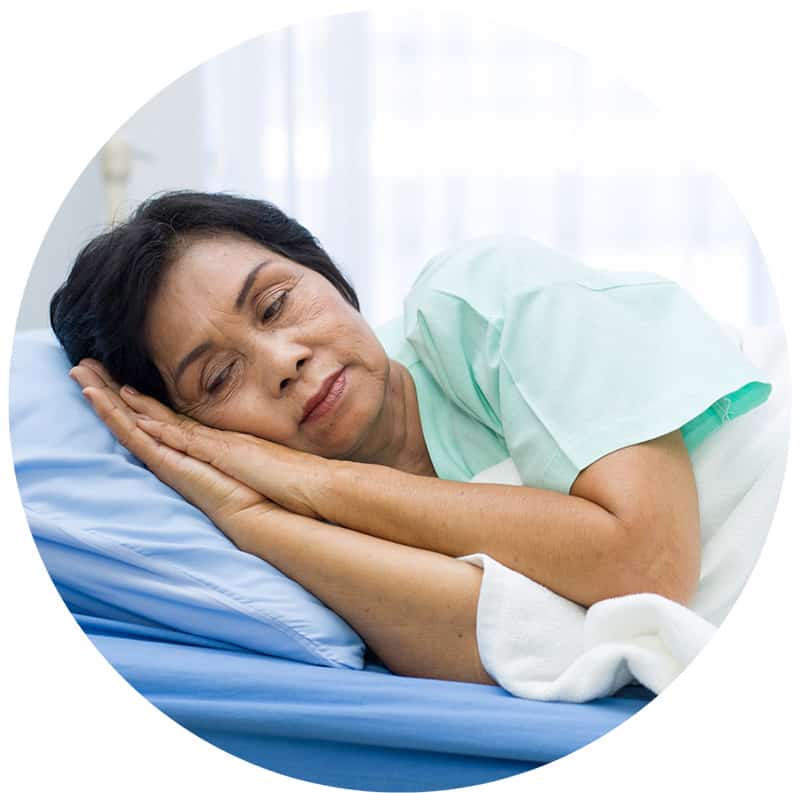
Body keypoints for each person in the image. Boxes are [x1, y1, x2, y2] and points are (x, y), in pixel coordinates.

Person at [53, 190, 771, 687]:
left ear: (327, 274)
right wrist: (250, 516)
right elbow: (505, 641)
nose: (284, 361)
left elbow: (647, 561)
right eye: (217, 379)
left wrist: (314, 483)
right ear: (189, 432)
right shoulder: (292, 532)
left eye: (276, 302)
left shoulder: (476, 299)